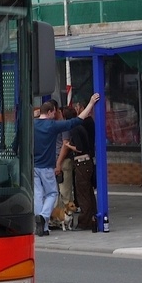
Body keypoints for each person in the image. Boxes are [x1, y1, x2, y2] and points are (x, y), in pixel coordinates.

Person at [33, 93, 100, 236]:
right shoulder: (52, 125)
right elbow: (76, 121)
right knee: (52, 193)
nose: (56, 114)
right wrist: (90, 104)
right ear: (50, 112)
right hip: (46, 166)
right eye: (54, 112)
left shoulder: (32, 124)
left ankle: (42, 226)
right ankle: (44, 217)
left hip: (34, 166)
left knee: (38, 194)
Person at [66, 103, 97, 231]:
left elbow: (79, 148)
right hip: (87, 162)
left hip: (82, 162)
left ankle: (84, 222)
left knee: (82, 193)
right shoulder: (81, 126)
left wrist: (68, 145)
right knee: (88, 191)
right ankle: (93, 216)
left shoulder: (74, 129)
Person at [54, 105, 76, 206]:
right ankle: (57, 217)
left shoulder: (64, 125)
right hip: (55, 160)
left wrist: (58, 163)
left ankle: (68, 218)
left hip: (63, 161)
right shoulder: (53, 124)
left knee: (65, 192)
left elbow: (65, 144)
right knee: (55, 193)